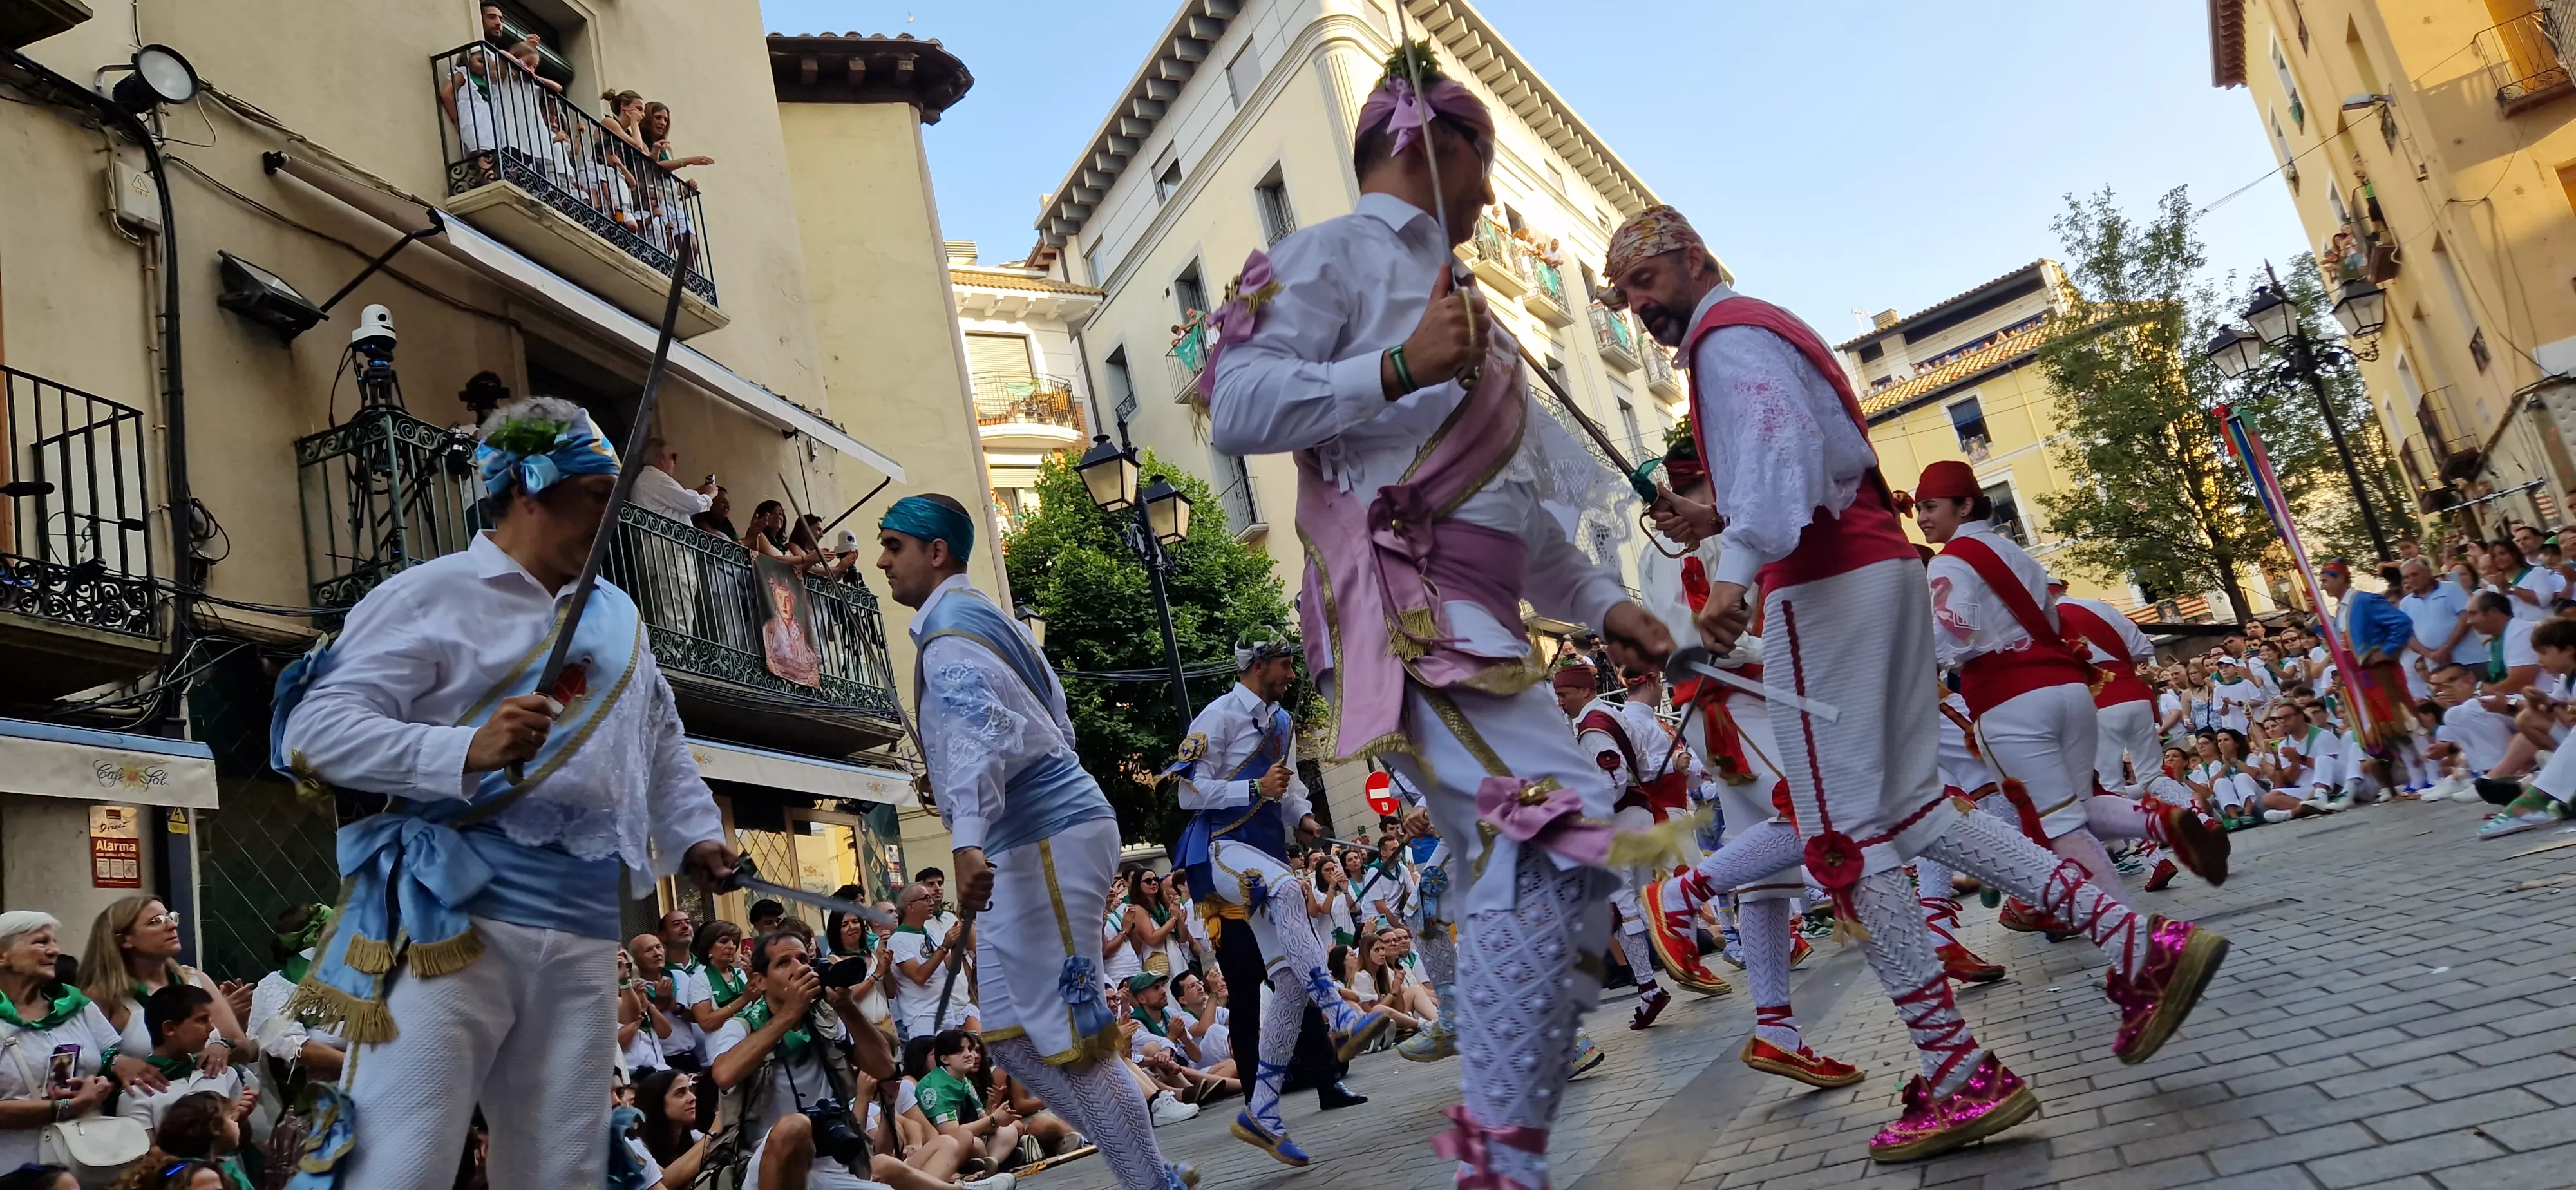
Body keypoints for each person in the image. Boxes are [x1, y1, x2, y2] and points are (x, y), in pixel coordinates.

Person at [1612, 204, 2227, 1163]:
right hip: (1870, 573)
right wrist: (1718, 516)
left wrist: (1732, 577)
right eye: (1622, 295)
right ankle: (2133, 941)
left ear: (1693, 259)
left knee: (1839, 835)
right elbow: (1803, 469)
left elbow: (1779, 478)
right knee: (1912, 813)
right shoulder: (1758, 333)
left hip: (1824, 591)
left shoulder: (1726, 342)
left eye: (1643, 283)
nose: (1636, 307)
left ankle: (1957, 1071)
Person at [270, 396, 739, 1189]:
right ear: (529, 487)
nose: (610, 517)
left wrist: (696, 834)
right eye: (597, 496)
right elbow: (313, 734)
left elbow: (658, 741)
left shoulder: (619, 615)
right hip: (453, 914)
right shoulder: (429, 594)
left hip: (587, 920)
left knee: (565, 1163)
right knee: (400, 1154)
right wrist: (463, 749)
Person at [875, 492, 1195, 1190]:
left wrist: (966, 836)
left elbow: (980, 736)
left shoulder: (952, 629)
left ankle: (1151, 1182)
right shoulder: (984, 619)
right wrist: (969, 807)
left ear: (936, 553)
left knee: (1071, 1037)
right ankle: (1147, 1170)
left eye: (892, 545)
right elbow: (1050, 723)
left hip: (1047, 836)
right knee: (1014, 1037)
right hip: (1038, 836)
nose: (880, 560)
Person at [1165, 629, 1388, 1166]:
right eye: (1286, 665)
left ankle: (1261, 1111)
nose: (1292, 676)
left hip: (1261, 849)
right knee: (1288, 888)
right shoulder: (1215, 717)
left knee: (1287, 982)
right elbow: (1187, 792)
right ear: (1259, 665)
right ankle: (1339, 1013)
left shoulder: (1282, 723)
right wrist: (1252, 790)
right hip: (1218, 848)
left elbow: (1284, 790)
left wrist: (1303, 816)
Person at [1557, 659, 1690, 1028]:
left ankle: (1649, 988)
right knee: (1642, 898)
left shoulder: (1592, 728)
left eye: (1564, 694)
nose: (1560, 701)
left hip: (1617, 821)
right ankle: (1677, 961)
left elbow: (1610, 783)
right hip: (1639, 814)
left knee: (1623, 906)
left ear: (1586, 690)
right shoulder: (1617, 717)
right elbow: (1646, 770)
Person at [79, 900, 247, 1096]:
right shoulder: (104, 995)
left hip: (219, 1104)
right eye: (155, 921)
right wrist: (115, 1062)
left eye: (170, 917)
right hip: (147, 1111)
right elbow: (83, 1060)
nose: (172, 925)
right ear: (125, 940)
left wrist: (224, 1046)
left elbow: (248, 1048)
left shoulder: (195, 980)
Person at [0, 912, 123, 1176]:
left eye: (54, 942)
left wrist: (101, 1085)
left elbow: (109, 1062)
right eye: (40, 942)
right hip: (15, 1169)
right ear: (2, 956)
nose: (54, 951)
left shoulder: (77, 1006)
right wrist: (67, 1107)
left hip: (85, 1162)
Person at [2048, 577, 2161, 793]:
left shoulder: (2050, 622)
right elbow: (2144, 649)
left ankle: (2135, 827)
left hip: (2098, 703)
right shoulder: (2101, 607)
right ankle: (2196, 818)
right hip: (2135, 694)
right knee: (2153, 775)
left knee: (2110, 784)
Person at [114, 987, 251, 1137]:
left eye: (210, 1020)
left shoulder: (222, 1072)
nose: (211, 1028)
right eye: (201, 1020)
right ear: (171, 1029)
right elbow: (146, 1156)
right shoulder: (138, 1092)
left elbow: (241, 1141)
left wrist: (240, 1121)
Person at [886, 885, 974, 1042]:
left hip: (946, 1012)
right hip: (923, 1018)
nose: (932, 902)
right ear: (911, 906)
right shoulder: (898, 940)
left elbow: (952, 968)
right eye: (926, 899)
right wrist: (945, 946)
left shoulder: (929, 933)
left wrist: (956, 944)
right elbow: (919, 977)